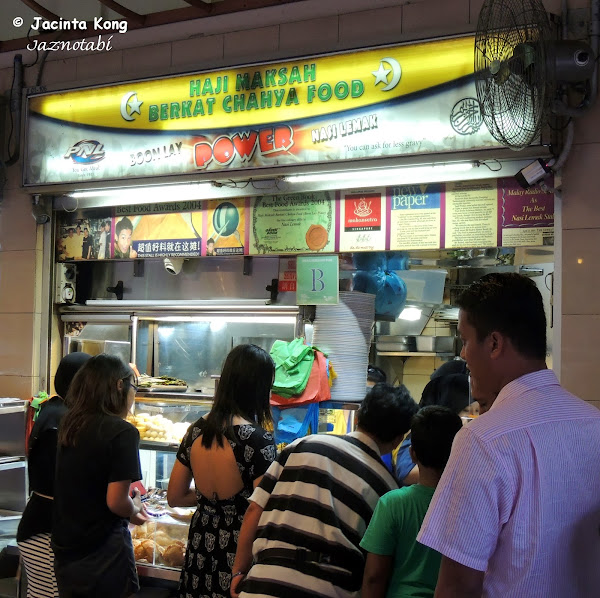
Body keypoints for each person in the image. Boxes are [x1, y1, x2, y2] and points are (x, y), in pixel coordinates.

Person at [418, 273, 600, 598]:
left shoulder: (483, 440)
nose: (463, 356)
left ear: (494, 344)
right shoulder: (594, 423)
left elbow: (458, 587)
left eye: (465, 340)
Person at [230, 383, 419, 598]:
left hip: (262, 584)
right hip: (330, 590)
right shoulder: (387, 489)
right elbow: (374, 572)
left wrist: (239, 570)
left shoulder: (301, 445)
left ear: (358, 417)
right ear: (398, 439)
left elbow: (255, 509)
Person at [167, 344, 277, 598]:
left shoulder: (195, 430)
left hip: (200, 544)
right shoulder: (257, 439)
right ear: (259, 388)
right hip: (239, 551)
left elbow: (175, 496)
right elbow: (261, 508)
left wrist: (209, 501)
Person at [52, 354, 148, 598]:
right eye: (134, 387)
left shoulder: (71, 423)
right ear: (119, 385)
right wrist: (135, 507)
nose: (133, 395)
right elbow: (116, 502)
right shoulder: (123, 432)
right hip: (104, 552)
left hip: (67, 549)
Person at [361, 406, 463, 598]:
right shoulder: (472, 507)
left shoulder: (392, 504)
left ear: (412, 454)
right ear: (459, 452)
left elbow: (374, 577)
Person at [16, 352, 91, 598]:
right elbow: (61, 479)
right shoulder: (62, 419)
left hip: (42, 524)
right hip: (46, 529)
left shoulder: (56, 409)